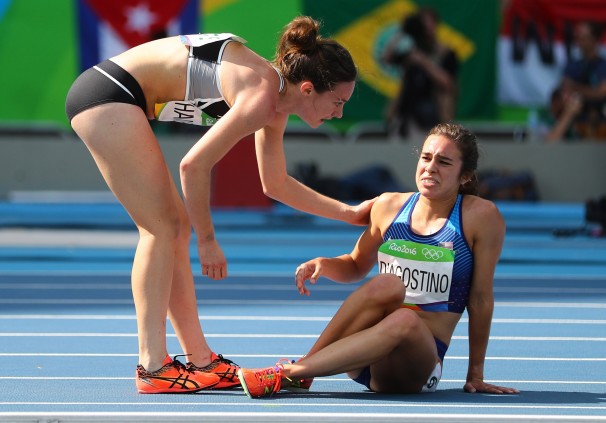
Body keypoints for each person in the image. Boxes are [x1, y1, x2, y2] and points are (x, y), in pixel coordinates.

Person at [65, 16, 375, 394]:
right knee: (162, 229)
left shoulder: (275, 99)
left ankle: (201, 360)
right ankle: (151, 366)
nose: (339, 114)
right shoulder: (262, 95)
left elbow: (275, 183)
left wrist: (350, 213)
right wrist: (207, 240)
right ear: (308, 89)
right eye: (338, 102)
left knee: (172, 228)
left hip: (114, 96)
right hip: (107, 94)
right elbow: (193, 165)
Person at [237, 123, 520, 398]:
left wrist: (476, 375)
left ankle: (290, 372)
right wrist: (325, 263)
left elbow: (480, 299)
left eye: (444, 162)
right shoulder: (388, 205)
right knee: (386, 284)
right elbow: (355, 265)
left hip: (416, 364)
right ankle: (303, 369)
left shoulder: (480, 217)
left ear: (465, 176)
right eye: (426, 157)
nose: (430, 167)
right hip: (364, 356)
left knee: (405, 319)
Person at [382, 7, 459, 138]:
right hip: (406, 113)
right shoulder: (411, 52)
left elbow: (447, 82)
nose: (426, 29)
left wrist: (423, 62)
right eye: (422, 25)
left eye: (428, 24)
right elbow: (386, 58)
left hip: (433, 114)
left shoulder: (445, 53)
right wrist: (403, 32)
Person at [559, 20, 606, 139]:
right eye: (578, 38)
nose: (579, 43)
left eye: (583, 38)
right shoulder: (572, 66)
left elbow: (601, 92)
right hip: (575, 123)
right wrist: (591, 92)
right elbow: (565, 91)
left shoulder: (602, 66)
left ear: (594, 40)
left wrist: (575, 88)